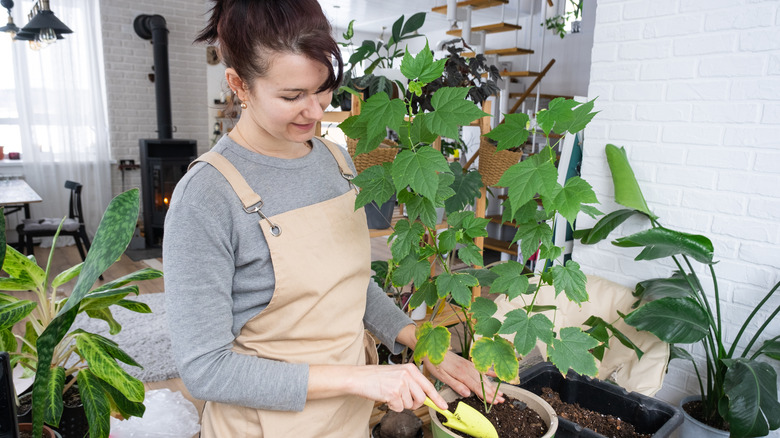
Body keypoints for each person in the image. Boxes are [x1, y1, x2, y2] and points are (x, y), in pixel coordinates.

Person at [163, 1, 502, 437]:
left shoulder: (335, 160)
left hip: (348, 417)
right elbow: (206, 370)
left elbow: (349, 285)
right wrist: (361, 378)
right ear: (238, 85)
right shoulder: (207, 196)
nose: (317, 111)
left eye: (323, 89)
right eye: (292, 96)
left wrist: (420, 341)